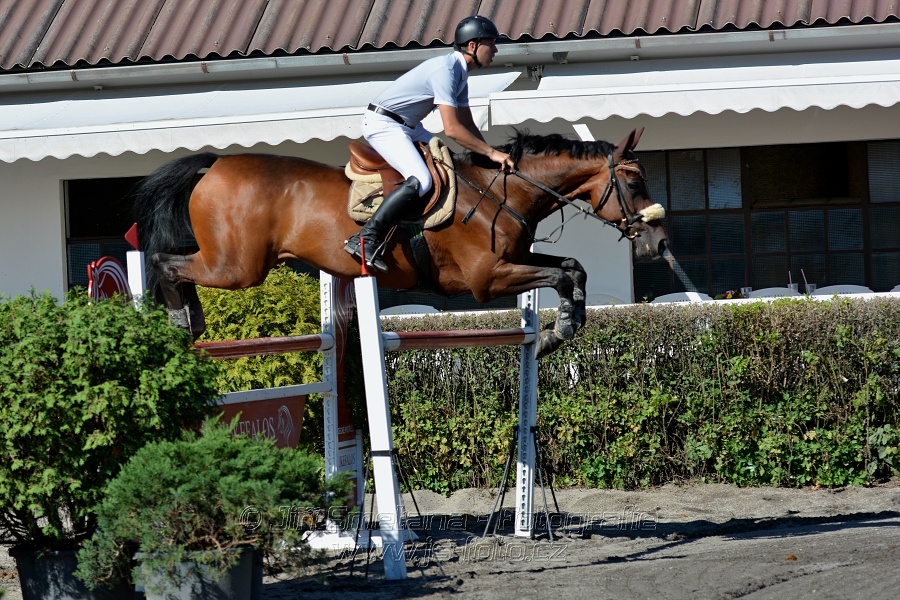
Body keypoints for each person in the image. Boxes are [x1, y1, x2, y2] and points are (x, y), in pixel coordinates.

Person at [344, 14, 516, 272]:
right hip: (384, 125)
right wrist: (492, 153)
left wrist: (487, 157)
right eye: (491, 43)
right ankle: (365, 238)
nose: (495, 49)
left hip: (407, 126)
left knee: (447, 161)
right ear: (472, 46)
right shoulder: (446, 71)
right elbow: (454, 129)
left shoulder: (459, 73)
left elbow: (468, 124)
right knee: (422, 180)